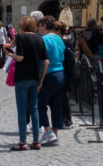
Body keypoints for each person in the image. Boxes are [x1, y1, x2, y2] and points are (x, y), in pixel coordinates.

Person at [7, 15, 47, 151]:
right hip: (35, 78)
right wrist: (41, 80)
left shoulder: (21, 37)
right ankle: (36, 141)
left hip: (22, 78)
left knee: (22, 110)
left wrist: (10, 55)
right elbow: (46, 61)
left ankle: (23, 141)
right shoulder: (39, 39)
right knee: (34, 109)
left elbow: (20, 57)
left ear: (22, 26)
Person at [35, 16, 66, 145]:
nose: (38, 28)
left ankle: (48, 132)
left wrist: (39, 79)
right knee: (56, 105)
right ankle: (55, 133)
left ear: (45, 26)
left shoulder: (44, 40)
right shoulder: (59, 39)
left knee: (39, 104)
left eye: (40, 26)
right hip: (61, 73)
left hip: (49, 74)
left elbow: (41, 60)